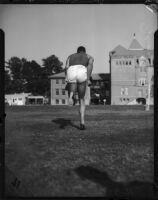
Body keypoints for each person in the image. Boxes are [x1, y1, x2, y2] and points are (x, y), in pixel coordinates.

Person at [65, 46, 94, 130]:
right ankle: (82, 122)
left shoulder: (70, 56)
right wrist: (88, 78)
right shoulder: (88, 56)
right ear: (84, 52)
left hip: (71, 71)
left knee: (73, 83)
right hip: (82, 71)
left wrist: (66, 78)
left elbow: (66, 67)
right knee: (81, 99)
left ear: (77, 52)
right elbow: (90, 64)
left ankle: (70, 96)